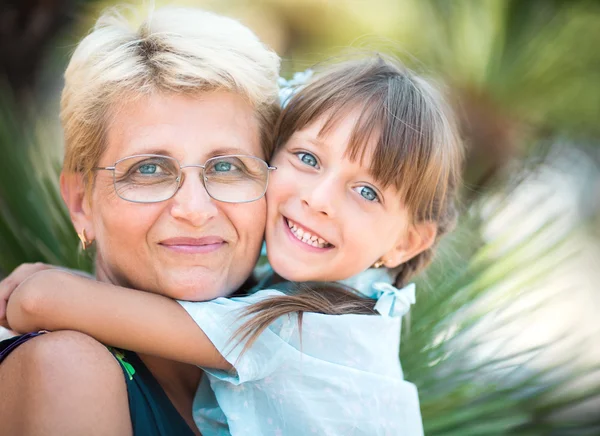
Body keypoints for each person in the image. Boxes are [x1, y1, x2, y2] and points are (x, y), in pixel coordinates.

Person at [2, 55, 463, 435]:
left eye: (367, 192)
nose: (318, 200)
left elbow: (38, 303)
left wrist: (42, 281)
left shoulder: (306, 329)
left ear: (407, 242)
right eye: (307, 158)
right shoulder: (354, 312)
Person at [0, 5, 280, 436]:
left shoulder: (301, 354)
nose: (195, 209)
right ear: (81, 203)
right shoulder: (69, 368)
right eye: (148, 169)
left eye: (227, 168)